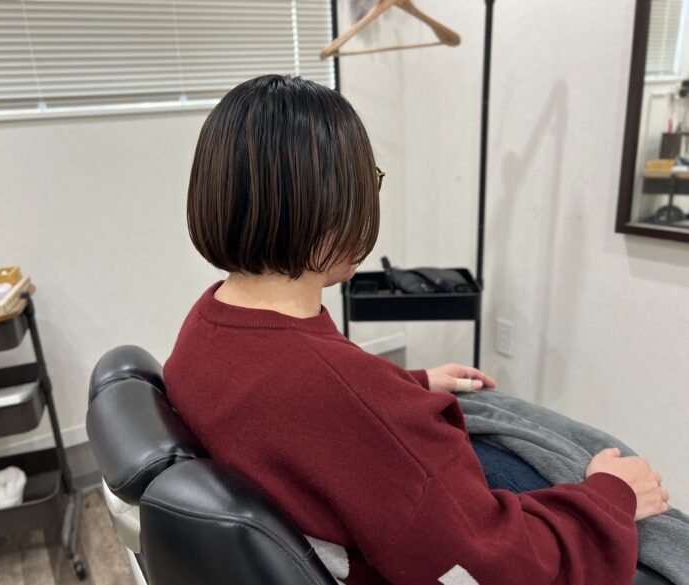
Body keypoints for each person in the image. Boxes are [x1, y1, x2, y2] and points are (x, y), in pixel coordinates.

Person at [163, 74, 669, 585]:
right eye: (368, 182)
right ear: (328, 202)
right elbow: (493, 568)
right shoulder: (347, 398)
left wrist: (408, 384)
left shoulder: (207, 324)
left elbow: (299, 408)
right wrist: (612, 495)